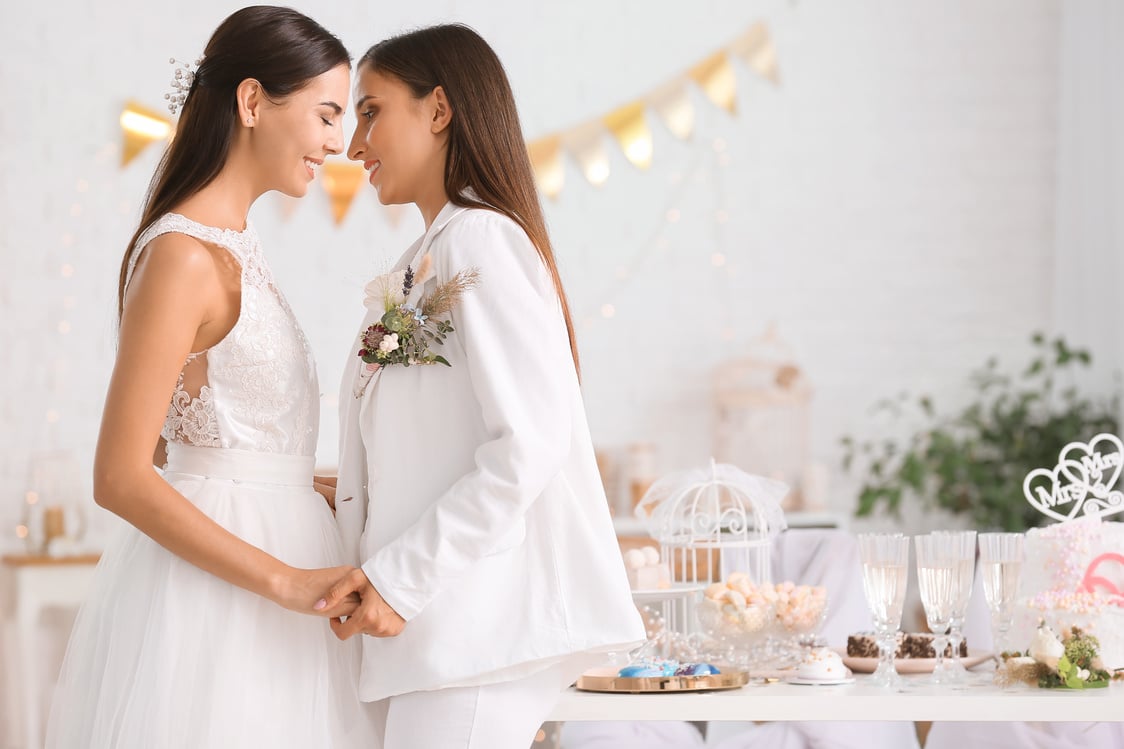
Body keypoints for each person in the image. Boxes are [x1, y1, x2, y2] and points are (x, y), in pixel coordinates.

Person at [46, 7, 375, 747]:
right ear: (253, 102)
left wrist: (303, 486)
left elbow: (204, 441)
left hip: (279, 573)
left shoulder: (236, 248)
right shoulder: (183, 256)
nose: (338, 142)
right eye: (326, 114)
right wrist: (285, 579)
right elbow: (122, 474)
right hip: (224, 602)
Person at [322, 23, 646, 749]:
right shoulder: (427, 258)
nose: (352, 144)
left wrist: (399, 579)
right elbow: (433, 436)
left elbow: (529, 443)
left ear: (439, 110)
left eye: (370, 110)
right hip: (443, 639)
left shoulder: (478, 241)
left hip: (473, 631)